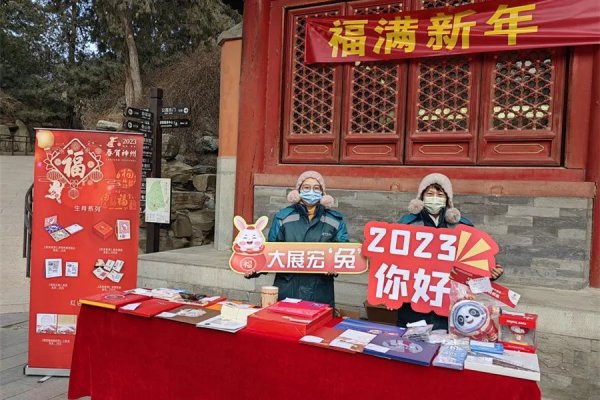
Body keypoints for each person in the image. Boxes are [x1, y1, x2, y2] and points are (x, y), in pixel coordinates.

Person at [395, 173, 504, 330]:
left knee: (445, 339)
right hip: (414, 297)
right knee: (411, 339)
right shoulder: (406, 225)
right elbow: (392, 261)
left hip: (449, 300)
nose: (435, 198)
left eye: (440, 195)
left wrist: (490, 273)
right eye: (430, 193)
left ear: (448, 199)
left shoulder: (463, 227)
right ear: (421, 197)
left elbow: (474, 261)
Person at [246, 171, 349, 307]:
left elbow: (345, 252)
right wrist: (253, 267)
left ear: (323, 193)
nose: (311, 192)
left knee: (318, 320)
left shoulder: (335, 220)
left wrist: (337, 266)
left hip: (320, 290)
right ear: (298, 191)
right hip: (288, 288)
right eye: (306, 187)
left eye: (316, 188)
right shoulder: (283, 217)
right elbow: (270, 253)